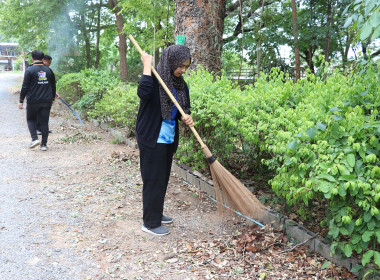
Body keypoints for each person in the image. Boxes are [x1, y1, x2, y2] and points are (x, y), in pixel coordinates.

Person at [137, 45, 194, 236]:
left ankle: (156, 213)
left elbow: (183, 108)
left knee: (162, 178)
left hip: (168, 137)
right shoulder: (153, 78)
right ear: (171, 62)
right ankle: (150, 223)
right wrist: (147, 65)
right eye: (181, 66)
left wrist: (186, 116)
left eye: (186, 66)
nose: (183, 70)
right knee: (153, 179)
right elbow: (143, 94)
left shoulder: (179, 83)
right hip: (152, 136)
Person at [18, 50, 56, 151]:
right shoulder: (49, 71)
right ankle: (44, 145)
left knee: (30, 119)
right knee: (44, 122)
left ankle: (34, 139)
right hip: (46, 101)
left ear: (32, 58)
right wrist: (52, 98)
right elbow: (53, 86)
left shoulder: (29, 70)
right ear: (43, 59)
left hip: (33, 101)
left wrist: (21, 100)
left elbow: (25, 86)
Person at [36, 54, 57, 135]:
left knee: (45, 113)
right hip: (38, 96)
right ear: (44, 60)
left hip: (46, 96)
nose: (49, 64)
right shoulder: (36, 70)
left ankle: (44, 129)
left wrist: (54, 94)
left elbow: (50, 84)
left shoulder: (48, 71)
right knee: (38, 113)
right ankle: (38, 129)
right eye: (49, 62)